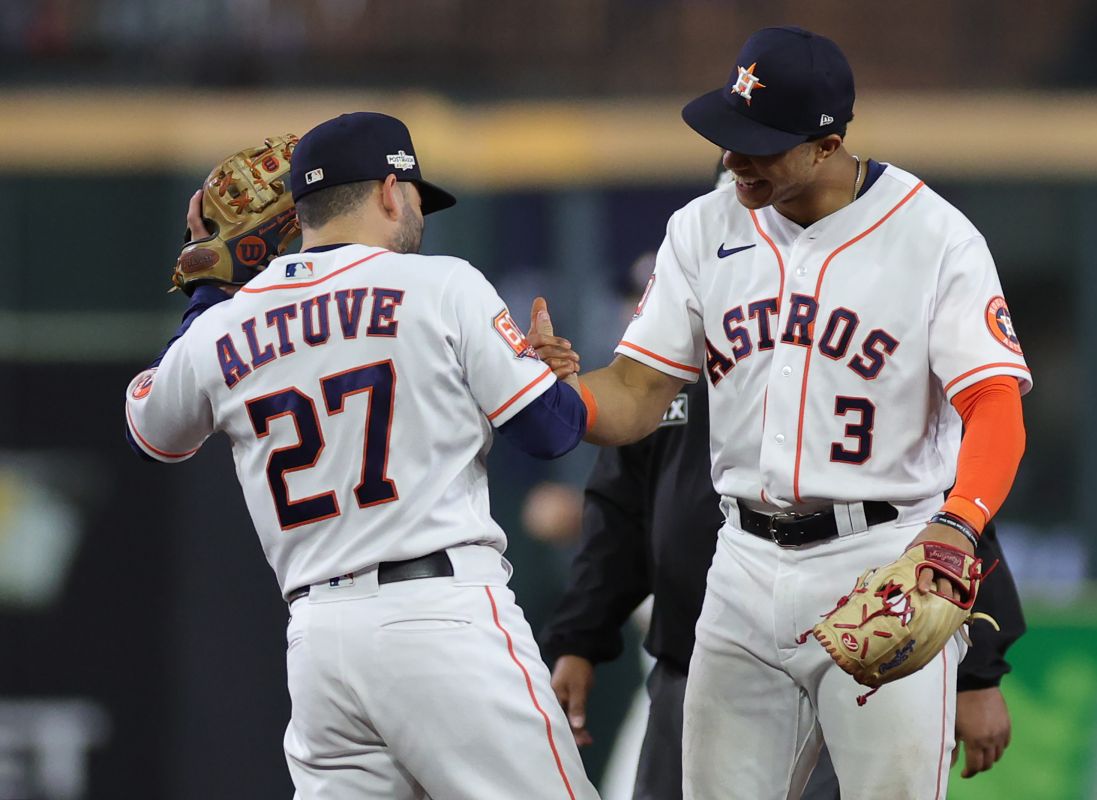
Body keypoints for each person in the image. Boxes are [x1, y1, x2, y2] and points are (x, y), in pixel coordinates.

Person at [531, 26, 1031, 799]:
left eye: (760, 145)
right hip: (742, 564)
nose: (735, 159)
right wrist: (561, 394)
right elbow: (634, 396)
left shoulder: (936, 239)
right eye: (730, 137)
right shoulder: (702, 228)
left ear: (827, 145)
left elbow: (993, 402)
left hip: (879, 556)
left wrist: (959, 523)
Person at [124, 112, 599, 800]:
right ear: (387, 190)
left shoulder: (221, 327)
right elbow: (551, 433)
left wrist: (208, 285)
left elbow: (152, 432)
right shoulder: (443, 285)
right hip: (441, 618)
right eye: (413, 196)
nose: (418, 215)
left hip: (319, 646)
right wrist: (543, 375)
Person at [541, 378, 1026, 800]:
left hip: (840, 659)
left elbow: (943, 504)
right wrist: (578, 639)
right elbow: (617, 515)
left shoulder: (841, 344)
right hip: (689, 664)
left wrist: (978, 673)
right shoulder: (658, 376)